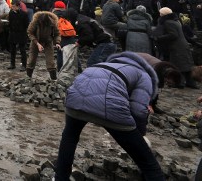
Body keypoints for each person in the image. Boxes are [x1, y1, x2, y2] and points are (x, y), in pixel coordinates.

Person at [54, 51, 163, 180]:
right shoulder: (144, 75)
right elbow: (138, 110)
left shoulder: (103, 64)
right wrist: (140, 135)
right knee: (149, 163)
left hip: (74, 99)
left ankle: (61, 177)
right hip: (110, 105)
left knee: (70, 137)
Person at [26, 8, 61, 80]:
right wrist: (37, 43)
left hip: (48, 42)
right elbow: (30, 33)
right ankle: (28, 77)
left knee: (50, 61)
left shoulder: (52, 23)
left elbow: (57, 34)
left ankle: (54, 79)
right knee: (31, 60)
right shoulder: (35, 22)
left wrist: (57, 42)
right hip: (35, 41)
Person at [6, 0, 27, 70]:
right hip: (13, 33)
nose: (12, 8)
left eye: (14, 6)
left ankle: (24, 65)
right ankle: (12, 64)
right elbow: (10, 22)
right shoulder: (11, 13)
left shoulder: (24, 14)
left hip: (21, 33)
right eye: (12, 6)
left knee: (22, 50)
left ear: (18, 6)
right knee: (12, 50)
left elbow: (26, 24)